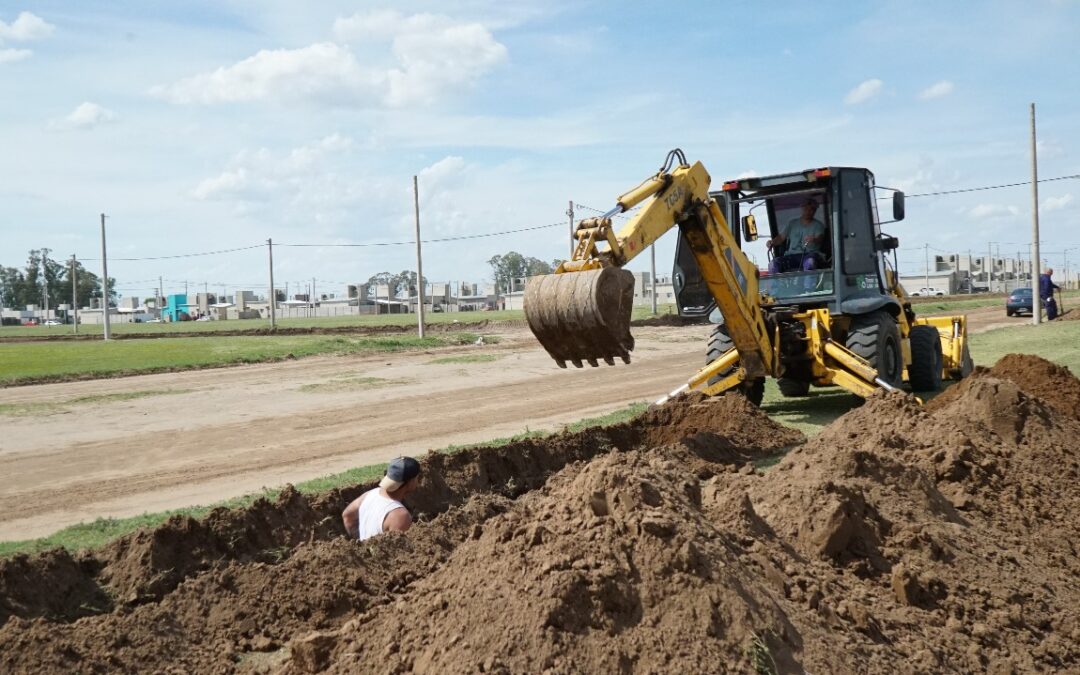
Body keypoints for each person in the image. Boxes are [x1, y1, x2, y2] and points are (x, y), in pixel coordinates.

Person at [342, 456, 421, 541]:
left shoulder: (369, 494)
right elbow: (398, 548)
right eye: (417, 478)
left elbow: (347, 516)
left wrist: (361, 543)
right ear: (410, 482)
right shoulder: (400, 516)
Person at [767, 197, 827, 273]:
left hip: (809, 254)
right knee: (773, 265)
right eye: (806, 209)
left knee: (810, 262)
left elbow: (820, 238)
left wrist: (814, 239)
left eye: (812, 209)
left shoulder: (818, 225)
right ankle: (778, 281)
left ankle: (809, 281)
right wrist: (772, 242)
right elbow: (781, 238)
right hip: (791, 256)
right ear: (802, 208)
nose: (808, 211)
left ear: (815, 211)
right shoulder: (792, 223)